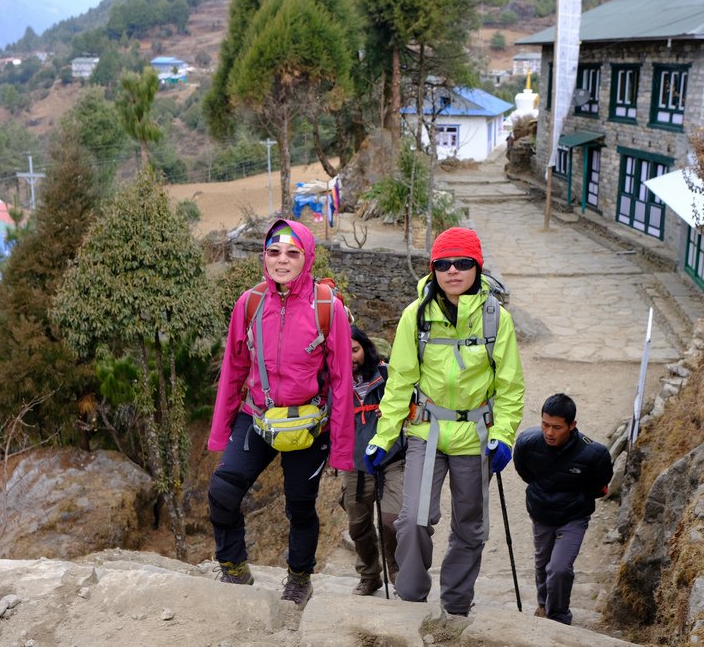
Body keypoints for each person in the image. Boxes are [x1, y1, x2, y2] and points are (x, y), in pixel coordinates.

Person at [365, 226, 525, 616]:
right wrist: (383, 438)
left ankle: (455, 606)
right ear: (433, 268)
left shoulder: (495, 319)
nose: (453, 271)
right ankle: (412, 598)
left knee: (470, 527)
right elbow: (400, 379)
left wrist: (503, 435)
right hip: (426, 430)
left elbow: (510, 385)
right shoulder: (415, 315)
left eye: (463, 263)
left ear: (477, 266)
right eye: (443, 264)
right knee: (413, 519)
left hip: (477, 434)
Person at [207, 219, 353, 608]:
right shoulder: (250, 303)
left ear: (307, 258)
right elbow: (233, 370)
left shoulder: (328, 308)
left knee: (300, 504)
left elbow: (341, 380)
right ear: (263, 257)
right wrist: (220, 433)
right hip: (257, 414)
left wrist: (341, 449)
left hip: (309, 423)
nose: (282, 260)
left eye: (292, 253)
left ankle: (299, 578)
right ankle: (233, 567)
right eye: (274, 252)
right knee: (222, 491)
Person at [513, 393, 614, 625]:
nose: (549, 432)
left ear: (572, 425)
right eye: (545, 425)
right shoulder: (528, 442)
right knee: (542, 563)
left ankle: (558, 618)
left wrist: (575, 499)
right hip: (541, 513)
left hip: (573, 518)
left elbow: (600, 486)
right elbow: (525, 472)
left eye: (557, 427)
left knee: (558, 568)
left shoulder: (594, 454)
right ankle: (543, 606)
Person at [341, 326, 405, 595]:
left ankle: (398, 571)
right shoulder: (334, 383)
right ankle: (369, 574)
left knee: (394, 520)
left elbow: (410, 407)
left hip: (393, 458)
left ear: (365, 348)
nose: (351, 357)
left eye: (355, 350)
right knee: (358, 524)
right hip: (356, 463)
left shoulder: (388, 376)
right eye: (344, 351)